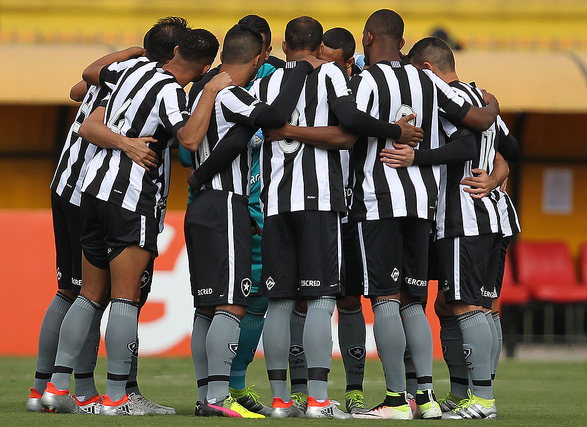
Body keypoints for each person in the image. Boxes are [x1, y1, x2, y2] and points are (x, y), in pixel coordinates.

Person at [41, 28, 232, 416]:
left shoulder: (131, 71)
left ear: (175, 50)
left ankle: (57, 388)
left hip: (92, 190)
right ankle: (116, 397)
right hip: (131, 198)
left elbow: (88, 102)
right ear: (205, 65)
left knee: (89, 295)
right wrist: (210, 93)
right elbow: (191, 139)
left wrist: (123, 138)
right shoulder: (170, 91)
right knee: (125, 297)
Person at [251, 15, 424, 419]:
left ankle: (279, 401)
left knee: (278, 301)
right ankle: (317, 400)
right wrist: (394, 130)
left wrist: (288, 131)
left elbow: (264, 130)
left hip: (276, 202)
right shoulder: (331, 74)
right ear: (318, 44)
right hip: (321, 200)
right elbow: (347, 133)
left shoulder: (267, 81)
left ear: (283, 43)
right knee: (321, 299)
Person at [348, 9, 499, 420]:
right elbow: (474, 126)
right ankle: (426, 398)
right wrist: (492, 109)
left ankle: (397, 399)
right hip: (422, 207)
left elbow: (348, 120)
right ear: (402, 39)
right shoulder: (427, 80)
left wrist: (393, 134)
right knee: (415, 299)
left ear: (366, 38)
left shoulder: (365, 80)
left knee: (384, 299)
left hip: (378, 201)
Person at [183, 23, 321, 419]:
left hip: (203, 203)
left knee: (206, 307)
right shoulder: (232, 95)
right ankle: (218, 397)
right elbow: (275, 115)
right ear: (259, 57)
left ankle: (207, 395)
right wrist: (298, 71)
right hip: (228, 202)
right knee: (231, 303)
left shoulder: (205, 92)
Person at [382, 35, 518, 420]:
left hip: (464, 215)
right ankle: (463, 393)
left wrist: (416, 157)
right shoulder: (479, 96)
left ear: (426, 69)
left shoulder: (445, 98)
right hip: (494, 213)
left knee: (466, 304)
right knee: (462, 304)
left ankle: (483, 399)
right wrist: (495, 177)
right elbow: (514, 149)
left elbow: (464, 148)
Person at [317, 26, 369, 416]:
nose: (323, 68)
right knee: (304, 298)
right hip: (312, 205)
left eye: (331, 61)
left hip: (353, 212)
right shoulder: (300, 81)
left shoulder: (369, 86)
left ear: (350, 62)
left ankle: (353, 389)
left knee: (350, 301)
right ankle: (302, 391)